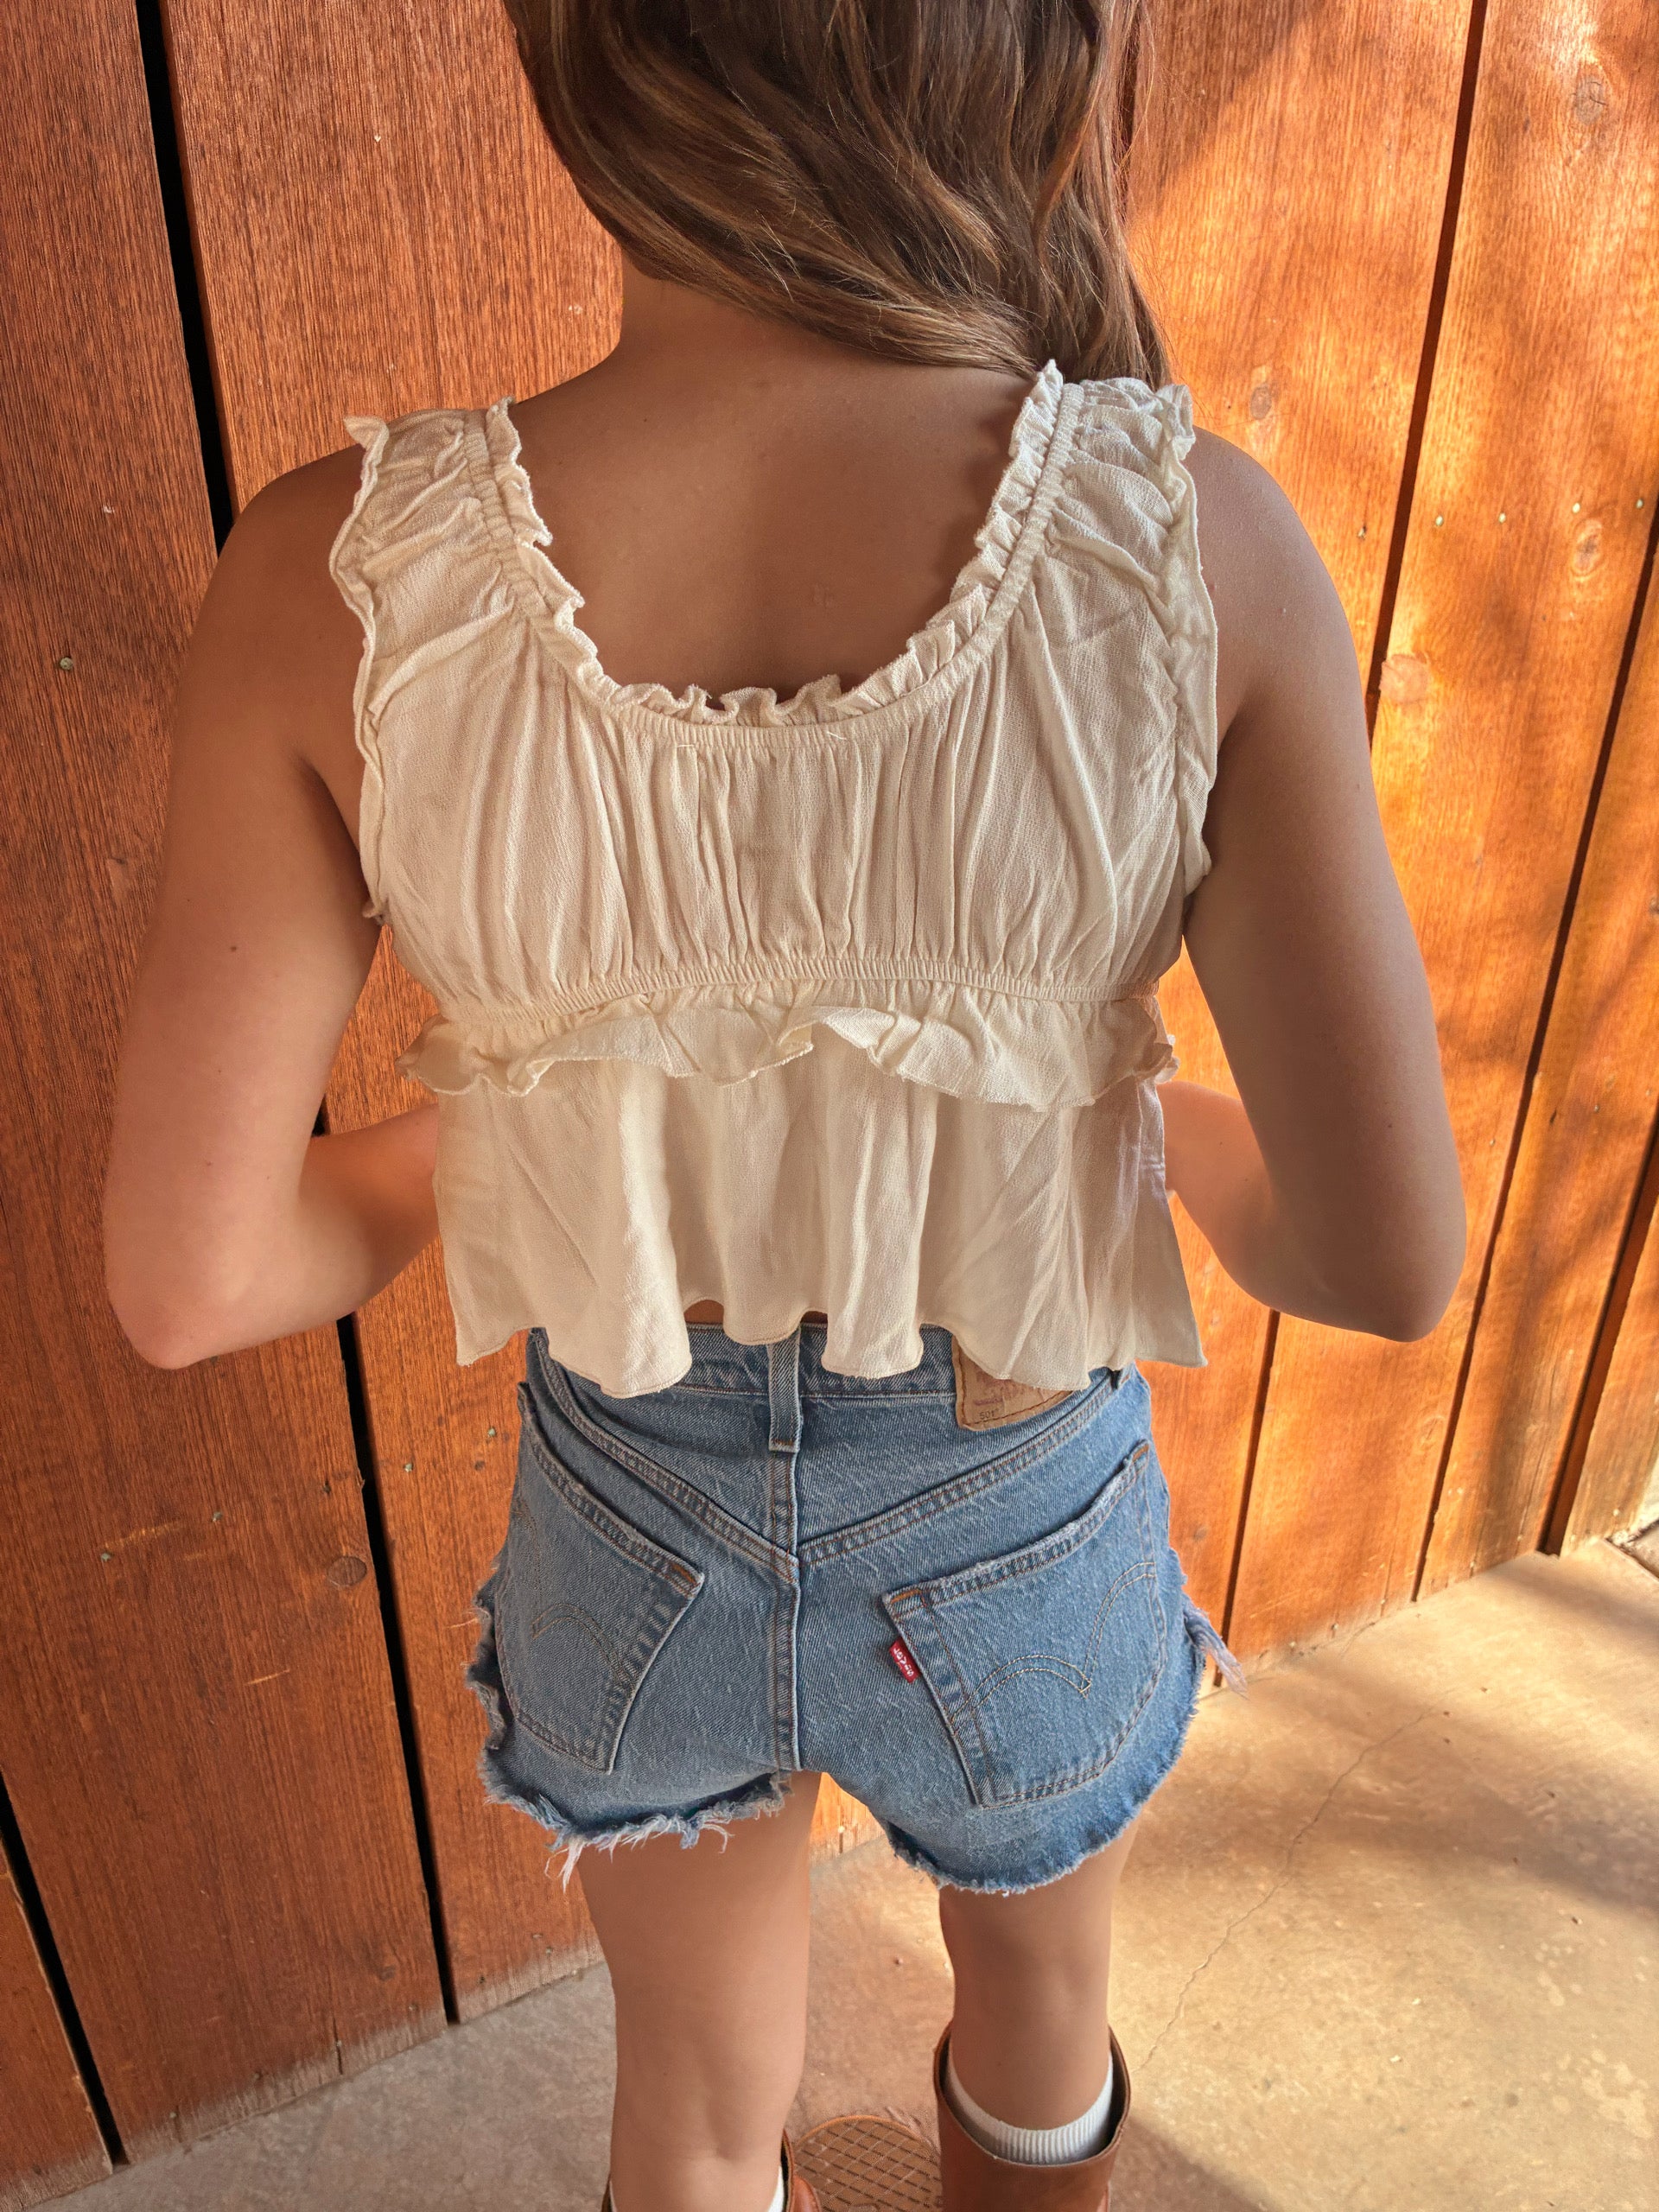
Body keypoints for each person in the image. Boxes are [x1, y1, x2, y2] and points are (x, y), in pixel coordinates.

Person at [103, 2, 1466, 2206]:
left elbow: (194, 1275)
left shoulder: (339, 569)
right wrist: (1123, 1139)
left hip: (633, 1514)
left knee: (699, 2110)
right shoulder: (1181, 540)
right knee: (1039, 2021)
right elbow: (1382, 1253)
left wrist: (530, 1120)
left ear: (582, 51)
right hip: (1016, 1490)